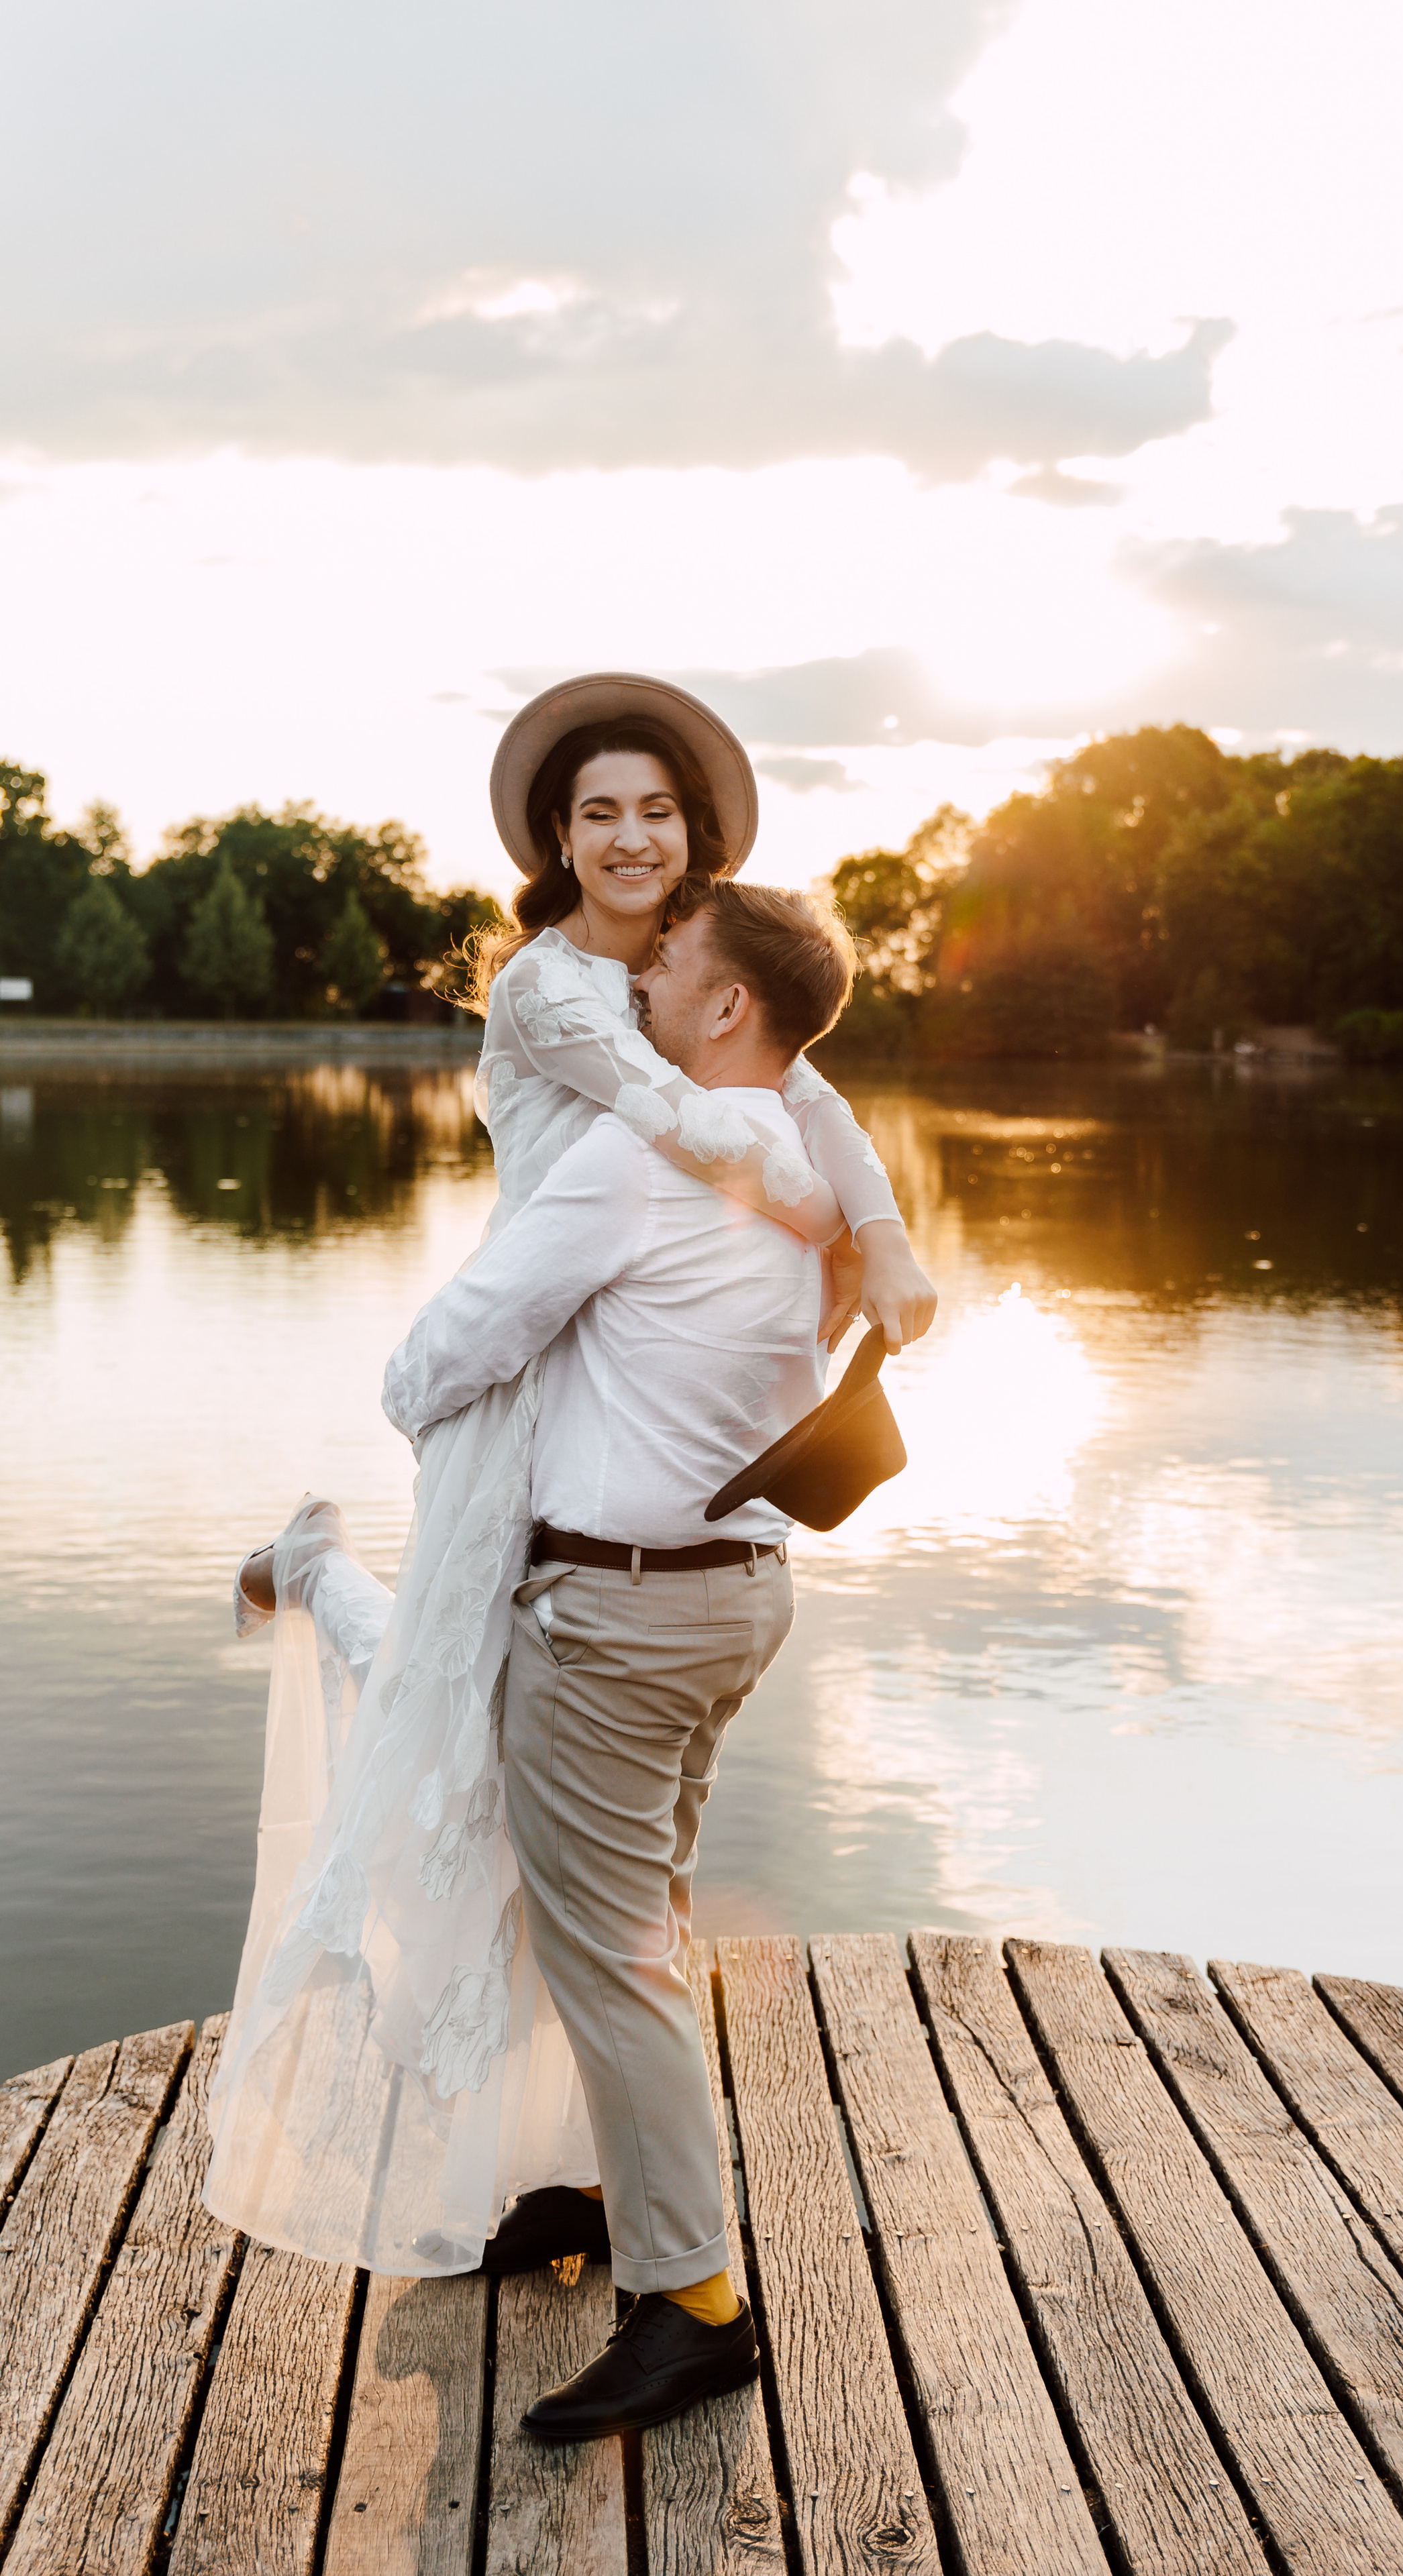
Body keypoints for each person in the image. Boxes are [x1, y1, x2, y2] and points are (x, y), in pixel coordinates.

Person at [205, 676, 935, 2277]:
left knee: (530, 1794)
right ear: (555, 834)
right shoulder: (558, 991)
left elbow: (811, 1095)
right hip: (530, 1370)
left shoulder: (712, 972)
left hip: (610, 1372)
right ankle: (322, 1570)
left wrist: (877, 1230)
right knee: (460, 1738)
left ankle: (601, 2185)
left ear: (695, 833)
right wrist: (816, 1222)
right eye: (597, 810)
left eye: (654, 812)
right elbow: (697, 1118)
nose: (627, 837)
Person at [384, 877, 847, 2435]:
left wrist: (405, 1392)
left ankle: (698, 2300)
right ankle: (597, 2187)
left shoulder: (644, 1151)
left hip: (617, 1615)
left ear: (726, 1009)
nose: (636, 991)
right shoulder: (800, 1164)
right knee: (636, 1912)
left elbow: (465, 1335)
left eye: (669, 974)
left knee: (607, 1951)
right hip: (731, 1597)